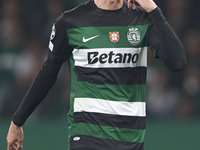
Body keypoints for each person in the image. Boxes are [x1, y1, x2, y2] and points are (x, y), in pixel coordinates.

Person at [6, 0, 186, 150]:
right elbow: (47, 73)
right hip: (87, 135)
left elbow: (177, 62)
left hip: (131, 139)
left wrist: (153, 9)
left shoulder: (141, 19)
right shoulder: (70, 22)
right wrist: (17, 121)